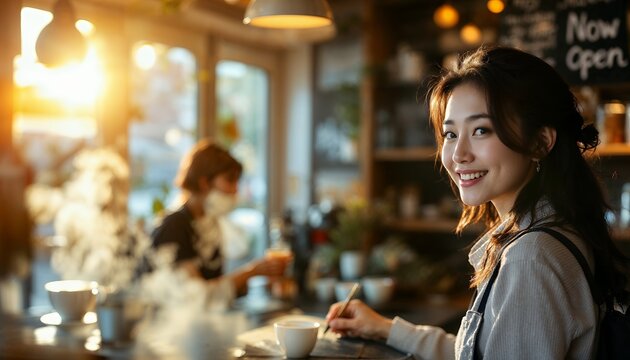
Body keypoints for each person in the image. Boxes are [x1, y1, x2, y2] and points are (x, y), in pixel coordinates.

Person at [325, 46, 630, 359]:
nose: (458, 155)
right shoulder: (550, 232)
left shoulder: (530, 259)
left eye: (481, 130)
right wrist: (385, 328)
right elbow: (477, 352)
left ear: (540, 142)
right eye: (451, 134)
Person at [149, 139, 289, 295]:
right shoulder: (174, 226)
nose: (235, 190)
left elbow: (218, 289)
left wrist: (257, 278)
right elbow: (197, 296)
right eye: (230, 180)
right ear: (204, 183)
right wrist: (251, 272)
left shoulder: (211, 225)